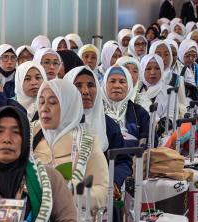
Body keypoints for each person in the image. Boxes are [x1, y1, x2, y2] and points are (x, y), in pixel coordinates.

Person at [32, 78, 109, 208]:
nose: (44, 108)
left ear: (69, 106)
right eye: (41, 102)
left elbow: (102, 192)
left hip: (72, 218)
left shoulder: (86, 140)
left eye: (53, 102)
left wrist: (72, 192)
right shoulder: (30, 134)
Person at [65, 66, 132, 188]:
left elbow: (123, 161)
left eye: (91, 85)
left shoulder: (108, 125)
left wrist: (113, 181)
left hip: (100, 192)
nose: (85, 91)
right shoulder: (57, 124)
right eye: (78, 85)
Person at [102, 66, 152, 153]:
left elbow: (148, 138)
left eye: (122, 81)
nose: (117, 86)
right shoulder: (96, 111)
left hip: (134, 161)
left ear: (129, 85)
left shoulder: (139, 112)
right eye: (112, 81)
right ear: (104, 84)